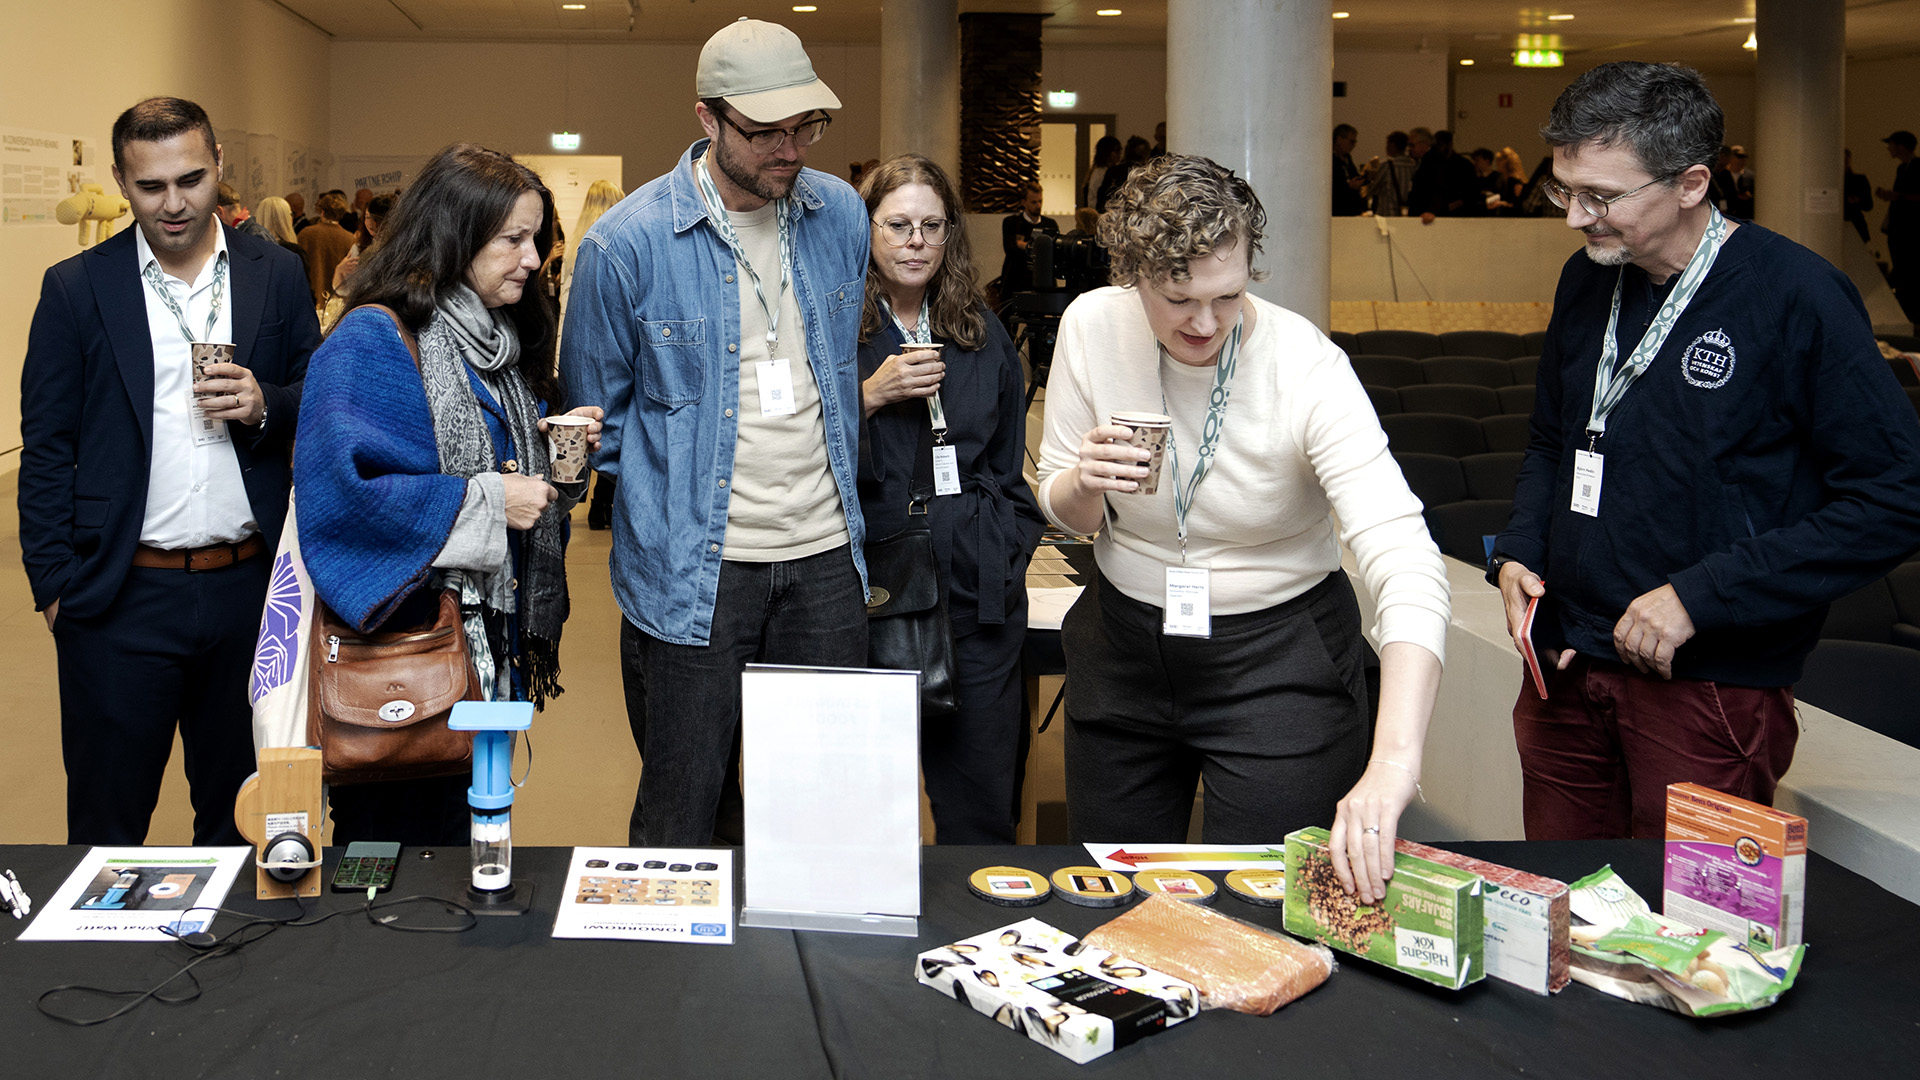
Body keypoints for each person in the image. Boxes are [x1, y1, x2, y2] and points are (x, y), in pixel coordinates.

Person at [1489, 62, 1920, 842]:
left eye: (1601, 197)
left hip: (1707, 689)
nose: (1574, 218)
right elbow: (1556, 437)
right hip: (1566, 668)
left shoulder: (1796, 296)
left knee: (1693, 945)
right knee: (1563, 920)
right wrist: (1520, 544)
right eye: (1564, 189)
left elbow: (1895, 500)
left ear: (1691, 183)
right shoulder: (1587, 280)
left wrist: (1702, 595)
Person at [1036, 155, 1451, 903]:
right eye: (1178, 298)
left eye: (1226, 297)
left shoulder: (1305, 365)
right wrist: (1080, 484)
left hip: (1277, 664)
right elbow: (1065, 507)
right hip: (1123, 648)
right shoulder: (1092, 325)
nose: (1204, 323)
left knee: (1261, 908)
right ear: (1132, 275)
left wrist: (1393, 762)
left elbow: (1404, 554)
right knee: (1113, 900)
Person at [561, 18, 871, 848]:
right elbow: (599, 418)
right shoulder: (624, 245)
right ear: (707, 119)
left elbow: (836, 371)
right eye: (764, 131)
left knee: (818, 809)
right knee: (684, 810)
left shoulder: (840, 214)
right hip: (694, 569)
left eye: (803, 127)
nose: (789, 149)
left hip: (824, 560)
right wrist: (681, 479)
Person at [19, 97, 316, 845]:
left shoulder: (273, 274)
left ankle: (239, 961)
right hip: (119, 595)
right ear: (122, 181)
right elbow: (47, 444)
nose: (175, 203)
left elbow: (319, 397)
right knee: (107, 826)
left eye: (191, 179)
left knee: (245, 820)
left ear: (218, 163)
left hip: (250, 592)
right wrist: (55, 586)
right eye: (151, 187)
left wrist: (265, 402)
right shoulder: (78, 287)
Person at [294, 143, 602, 844]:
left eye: (538, 240)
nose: (533, 259)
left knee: (472, 846)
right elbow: (340, 499)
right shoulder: (373, 341)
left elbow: (527, 497)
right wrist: (490, 500)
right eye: (513, 240)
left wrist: (564, 465)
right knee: (393, 861)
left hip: (487, 660)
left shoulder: (500, 343)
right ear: (454, 237)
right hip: (405, 662)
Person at [855, 155, 1046, 844]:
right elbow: (787, 452)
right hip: (868, 592)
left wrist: (1004, 545)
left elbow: (1007, 470)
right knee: (862, 816)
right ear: (867, 230)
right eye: (899, 225)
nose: (916, 241)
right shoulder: (833, 328)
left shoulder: (980, 330)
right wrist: (869, 396)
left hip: (974, 590)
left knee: (982, 808)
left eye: (931, 226)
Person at [1878, 130, 1920, 329]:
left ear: (1901, 146)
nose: (1889, 148)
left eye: (1892, 144)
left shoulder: (1916, 167)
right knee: (1904, 272)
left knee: (1908, 272)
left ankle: (1912, 316)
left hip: (1909, 231)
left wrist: (1898, 197)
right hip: (1900, 230)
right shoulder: (1903, 169)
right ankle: (1908, 315)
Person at [999, 180, 1059, 294]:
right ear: (1023, 202)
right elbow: (1011, 248)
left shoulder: (1050, 224)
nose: (1038, 206)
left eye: (1040, 201)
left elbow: (1054, 253)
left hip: (1044, 284)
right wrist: (1041, 248)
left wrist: (1023, 245)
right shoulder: (1012, 223)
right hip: (1016, 283)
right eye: (1034, 202)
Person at [297, 190, 354, 304]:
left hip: (309, 296)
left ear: (322, 211)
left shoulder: (306, 234)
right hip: (337, 299)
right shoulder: (350, 238)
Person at [1368, 131, 1416, 218]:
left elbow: (1373, 189)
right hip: (1407, 214)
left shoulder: (1386, 165)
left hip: (1387, 213)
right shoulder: (1413, 165)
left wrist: (1371, 176)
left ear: (1392, 146)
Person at [255, 195, 305, 259]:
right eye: (290, 214)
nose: (291, 217)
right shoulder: (293, 251)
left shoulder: (249, 248)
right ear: (285, 218)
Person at [1333, 124, 1367, 216]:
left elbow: (1354, 177)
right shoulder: (1329, 160)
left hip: (1352, 211)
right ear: (1339, 140)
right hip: (1337, 212)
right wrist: (1349, 186)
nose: (1353, 146)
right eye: (1351, 142)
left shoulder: (1347, 159)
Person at [1843, 149, 1874, 244]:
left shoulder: (1859, 180)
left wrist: (1857, 200)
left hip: (1854, 226)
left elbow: (1868, 205)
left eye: (1846, 160)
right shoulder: (1827, 183)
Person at [1084, 136, 1122, 212]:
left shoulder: (1108, 171)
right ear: (1107, 153)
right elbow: (1094, 200)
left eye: (1119, 150)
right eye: (1116, 151)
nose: (1119, 154)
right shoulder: (1100, 173)